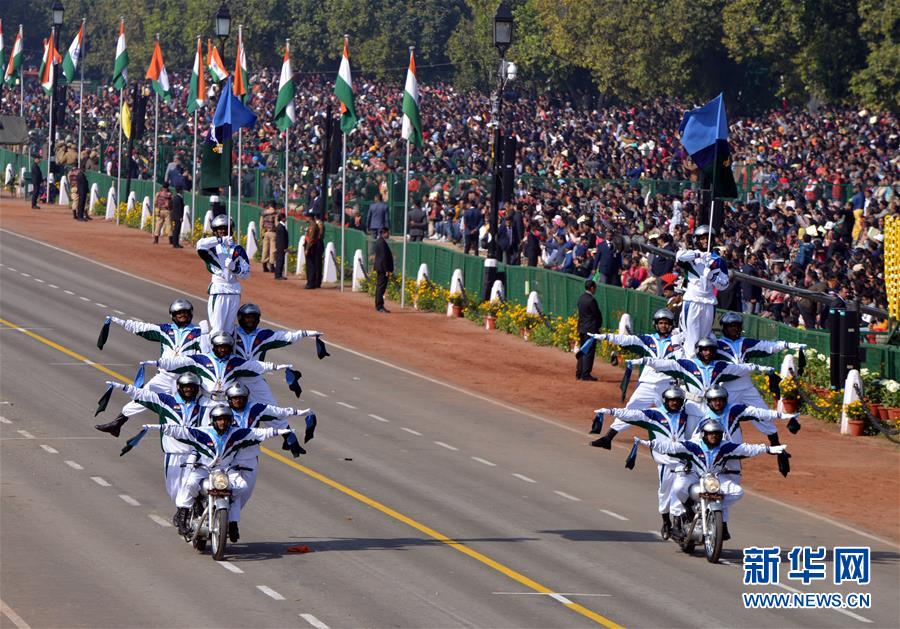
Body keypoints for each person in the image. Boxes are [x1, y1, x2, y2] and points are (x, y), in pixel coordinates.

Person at [139, 404, 297, 539]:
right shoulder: (203, 432)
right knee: (190, 484)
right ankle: (183, 515)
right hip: (203, 469)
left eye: (226, 419)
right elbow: (180, 431)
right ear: (214, 421)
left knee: (240, 486)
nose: (223, 422)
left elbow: (258, 433)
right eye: (220, 419)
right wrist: (156, 427)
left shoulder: (235, 433)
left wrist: (282, 432)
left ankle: (232, 522)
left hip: (224, 471)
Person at [636, 418, 787, 541]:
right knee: (678, 487)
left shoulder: (725, 446)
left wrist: (769, 449)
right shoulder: (692, 445)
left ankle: (714, 512)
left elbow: (746, 448)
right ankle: (687, 510)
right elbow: (671, 446)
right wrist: (649, 443)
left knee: (737, 491)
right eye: (710, 433)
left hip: (715, 477)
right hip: (694, 475)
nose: (714, 436)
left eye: (717, 433)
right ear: (704, 434)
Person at [591, 386, 704, 538]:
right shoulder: (654, 415)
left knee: (681, 491)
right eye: (672, 401)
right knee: (664, 494)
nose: (675, 403)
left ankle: (680, 523)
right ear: (665, 401)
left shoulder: (687, 415)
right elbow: (632, 414)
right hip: (665, 463)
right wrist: (611, 411)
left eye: (678, 401)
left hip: (682, 462)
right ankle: (666, 521)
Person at [104, 374, 211, 524]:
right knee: (173, 489)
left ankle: (184, 512)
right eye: (185, 387)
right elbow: (144, 395)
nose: (188, 390)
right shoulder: (167, 401)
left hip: (195, 453)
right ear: (179, 387)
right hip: (173, 453)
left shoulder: (205, 405)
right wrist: (123, 387)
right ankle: (187, 508)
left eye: (192, 387)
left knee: (192, 484)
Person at [95, 299, 206, 437]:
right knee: (142, 396)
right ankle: (117, 424)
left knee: (192, 411)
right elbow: (142, 328)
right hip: (164, 377)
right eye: (179, 313)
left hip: (188, 381)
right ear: (173, 315)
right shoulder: (165, 329)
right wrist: (121, 322)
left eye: (185, 313)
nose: (182, 315)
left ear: (190, 314)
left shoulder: (199, 333)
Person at [224, 383, 313, 517]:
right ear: (229, 399)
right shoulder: (221, 411)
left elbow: (278, 412)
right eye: (235, 398)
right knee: (221, 488)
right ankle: (224, 518)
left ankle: (229, 517)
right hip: (227, 458)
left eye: (241, 398)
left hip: (250, 456)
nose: (238, 400)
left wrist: (299, 413)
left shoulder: (255, 408)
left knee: (245, 491)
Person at [153, 331, 294, 401]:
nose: (223, 350)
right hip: (207, 402)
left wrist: (278, 367)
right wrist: (157, 363)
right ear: (214, 346)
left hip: (227, 403)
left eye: (226, 347)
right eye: (220, 347)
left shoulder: (235, 361)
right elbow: (180, 362)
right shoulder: (202, 359)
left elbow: (255, 365)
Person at [628, 337, 774, 400]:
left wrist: (763, 368)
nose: (708, 353)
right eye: (704, 350)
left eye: (710, 350)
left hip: (710, 405)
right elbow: (663, 364)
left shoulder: (719, 366)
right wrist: (641, 360)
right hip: (692, 404)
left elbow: (740, 368)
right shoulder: (687, 364)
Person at [232, 303, 323, 403]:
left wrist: (305, 333)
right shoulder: (233, 333)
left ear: (257, 319)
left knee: (274, 414)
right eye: (247, 317)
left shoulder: (264, 335)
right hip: (235, 380)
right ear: (241, 318)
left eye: (253, 317)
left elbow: (286, 337)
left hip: (256, 381)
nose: (250, 320)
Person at [590, 308, 682, 406]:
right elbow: (625, 339)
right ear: (655, 324)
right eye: (661, 323)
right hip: (647, 384)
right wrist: (606, 337)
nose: (663, 326)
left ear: (671, 324)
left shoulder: (677, 342)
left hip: (667, 385)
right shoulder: (647, 339)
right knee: (629, 413)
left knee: (671, 416)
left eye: (666, 323)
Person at [675, 225, 729, 356]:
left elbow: (724, 284)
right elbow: (679, 256)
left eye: (708, 238)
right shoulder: (691, 256)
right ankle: (688, 364)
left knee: (705, 336)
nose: (706, 241)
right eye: (703, 238)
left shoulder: (719, 261)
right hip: (692, 299)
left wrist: (712, 276)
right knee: (690, 336)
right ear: (696, 240)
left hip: (709, 301)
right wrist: (699, 254)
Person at [196, 215, 250, 334]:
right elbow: (200, 245)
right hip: (219, 290)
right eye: (220, 228)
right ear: (214, 231)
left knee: (229, 330)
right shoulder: (211, 248)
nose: (223, 231)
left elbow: (246, 273)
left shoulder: (238, 249)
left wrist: (235, 268)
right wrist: (220, 240)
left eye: (226, 228)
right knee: (217, 329)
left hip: (234, 291)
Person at [576, 279, 603, 381]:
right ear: (592, 288)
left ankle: (579, 372)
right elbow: (596, 314)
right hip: (590, 329)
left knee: (582, 349)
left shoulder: (581, 298)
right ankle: (585, 374)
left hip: (582, 327)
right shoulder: (591, 300)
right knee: (589, 351)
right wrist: (598, 327)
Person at [374, 227, 394, 313]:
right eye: (388, 233)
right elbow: (383, 257)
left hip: (380, 267)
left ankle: (379, 305)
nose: (388, 234)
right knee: (381, 287)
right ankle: (379, 306)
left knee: (380, 287)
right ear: (384, 233)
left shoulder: (379, 241)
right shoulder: (382, 243)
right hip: (382, 268)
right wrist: (386, 270)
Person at [303, 219, 324, 289]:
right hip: (314, 244)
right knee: (314, 264)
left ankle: (316, 281)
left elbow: (318, 235)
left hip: (316, 244)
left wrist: (308, 248)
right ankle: (314, 281)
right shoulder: (314, 225)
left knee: (316, 264)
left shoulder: (317, 225)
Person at [260, 202, 278, 272]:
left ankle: (264, 265)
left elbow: (261, 224)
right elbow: (276, 224)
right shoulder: (275, 213)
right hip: (273, 232)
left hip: (265, 232)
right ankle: (271, 265)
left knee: (265, 249)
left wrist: (261, 233)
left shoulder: (263, 213)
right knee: (273, 250)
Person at [274, 213, 289, 280]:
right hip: (281, 246)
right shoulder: (281, 227)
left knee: (279, 260)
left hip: (279, 246)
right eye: (285, 218)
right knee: (280, 260)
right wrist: (284, 248)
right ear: (283, 218)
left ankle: (278, 274)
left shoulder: (280, 226)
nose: (286, 219)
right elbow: (282, 239)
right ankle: (278, 275)